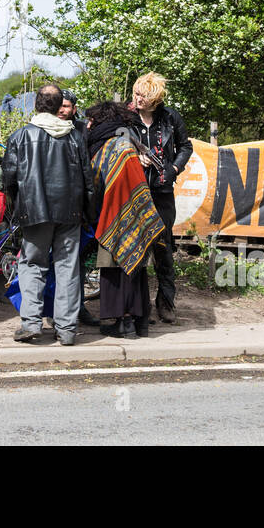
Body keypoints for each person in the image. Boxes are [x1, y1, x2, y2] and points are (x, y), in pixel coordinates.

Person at [1, 84, 93, 346]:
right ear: (57, 107)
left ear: (36, 105)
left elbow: (9, 178)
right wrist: (88, 212)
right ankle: (66, 330)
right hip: (70, 213)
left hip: (35, 212)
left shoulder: (20, 137)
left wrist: (16, 208)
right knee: (67, 269)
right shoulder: (75, 137)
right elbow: (87, 180)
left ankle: (31, 324)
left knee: (32, 265)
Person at [84, 101, 166, 338]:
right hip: (136, 214)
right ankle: (140, 322)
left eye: (92, 120)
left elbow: (96, 183)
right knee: (136, 268)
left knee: (115, 269)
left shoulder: (111, 146)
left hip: (114, 215)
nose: (89, 125)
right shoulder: (126, 145)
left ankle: (123, 322)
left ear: (102, 121)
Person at [129, 72, 192, 323]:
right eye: (136, 94)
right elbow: (113, 143)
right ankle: (137, 303)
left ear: (155, 98)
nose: (138, 99)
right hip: (134, 191)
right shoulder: (126, 116)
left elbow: (185, 146)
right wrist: (134, 156)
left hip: (162, 191)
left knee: (163, 248)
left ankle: (166, 303)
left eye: (143, 96)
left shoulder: (170, 117)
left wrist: (173, 168)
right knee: (136, 248)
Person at [58, 87, 99, 326]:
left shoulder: (84, 130)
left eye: (67, 106)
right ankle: (55, 311)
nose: (63, 110)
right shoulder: (45, 129)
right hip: (52, 205)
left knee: (78, 261)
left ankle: (78, 307)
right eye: (59, 105)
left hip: (79, 204)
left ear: (75, 109)